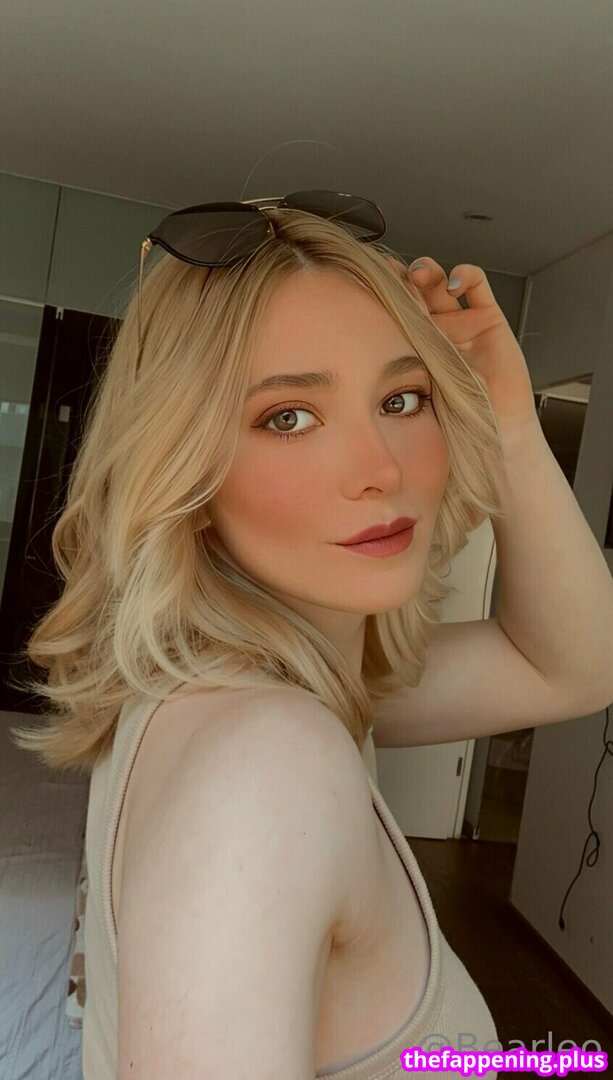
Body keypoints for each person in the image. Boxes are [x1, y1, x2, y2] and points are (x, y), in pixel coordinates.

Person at [10, 192, 505, 1078]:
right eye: (287, 417)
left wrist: (507, 406)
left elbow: (576, 664)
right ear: (185, 471)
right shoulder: (267, 763)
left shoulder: (277, 687)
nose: (380, 468)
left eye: (402, 397)